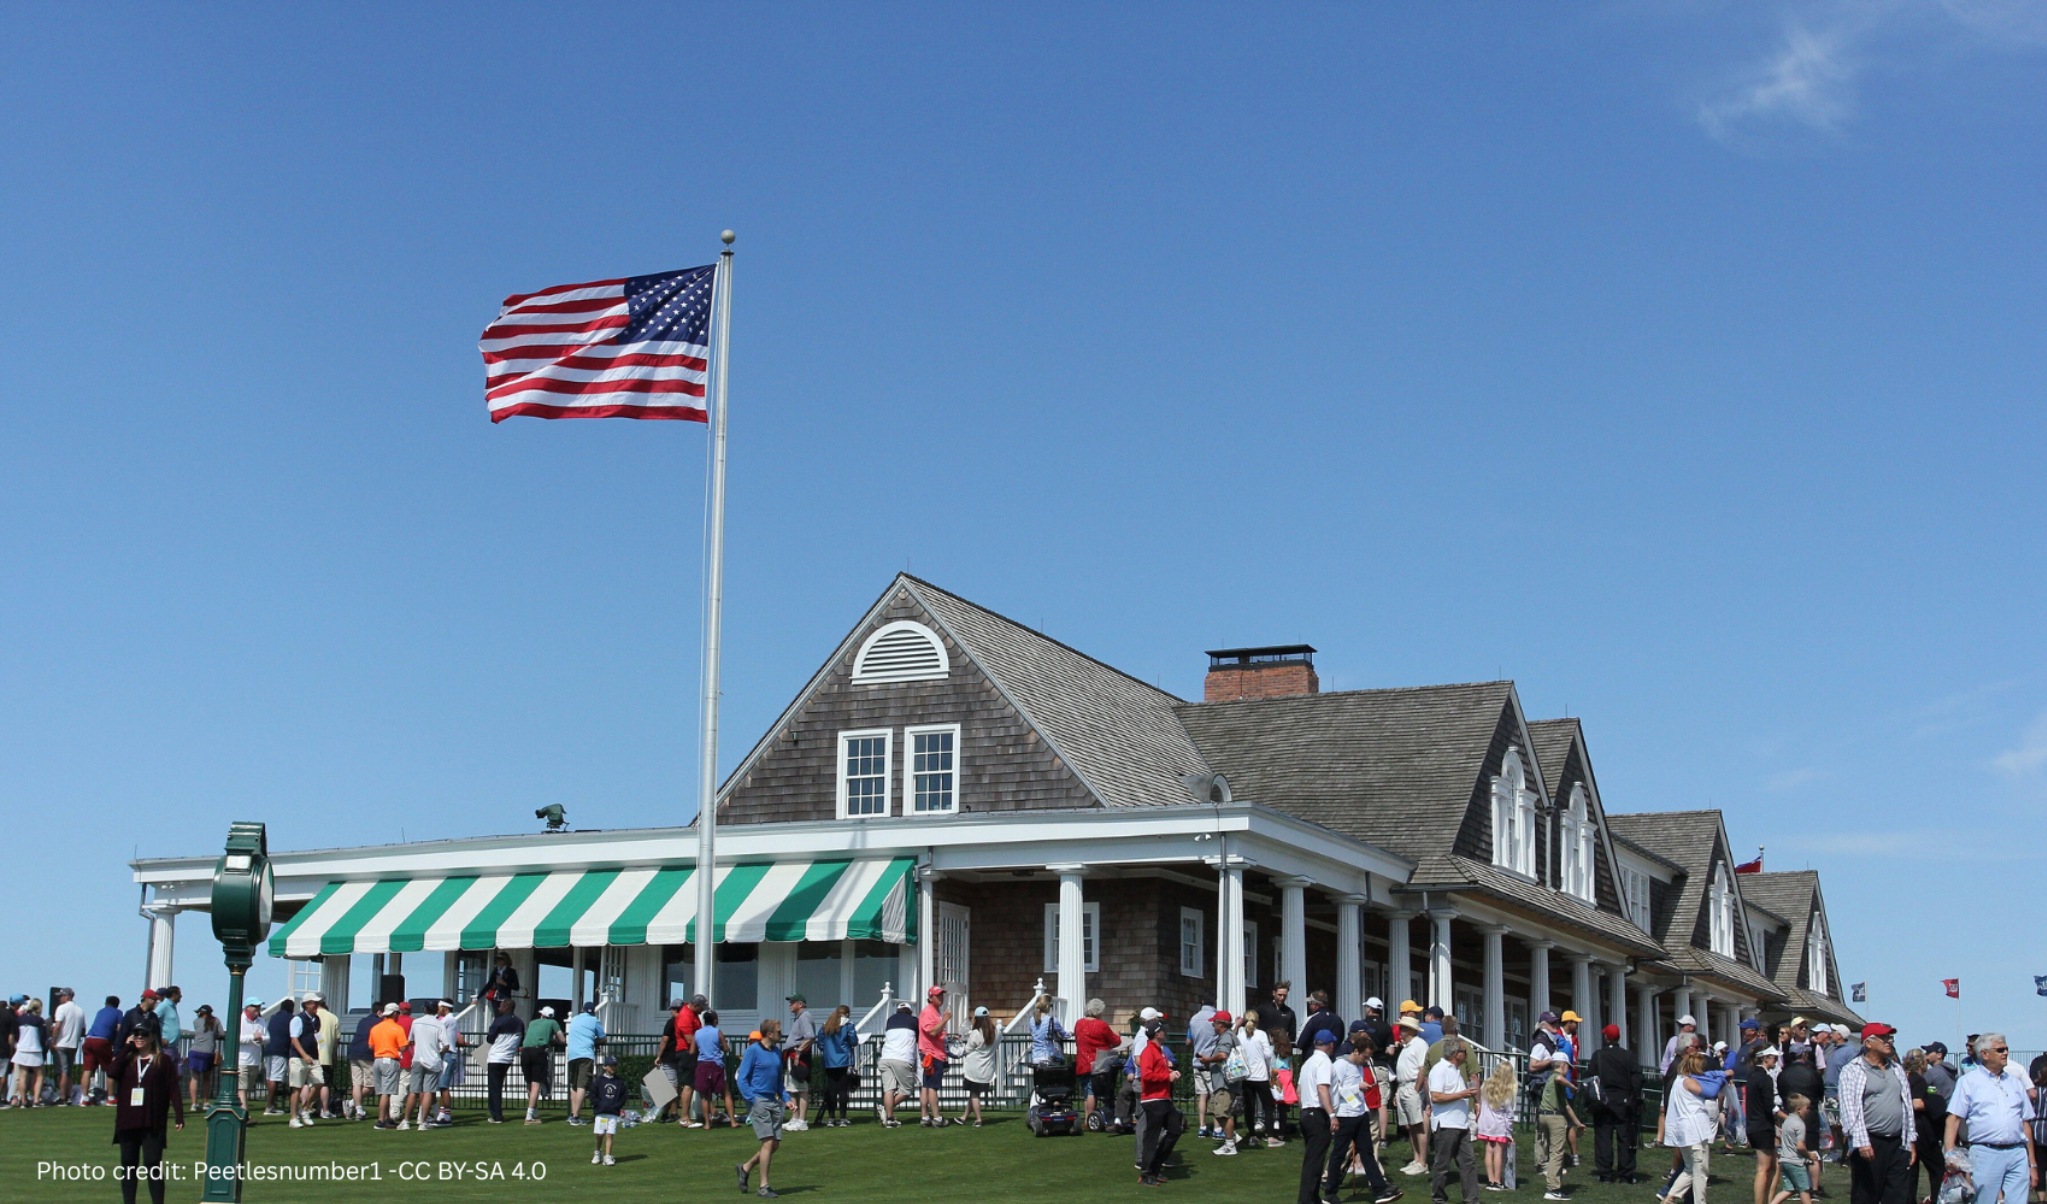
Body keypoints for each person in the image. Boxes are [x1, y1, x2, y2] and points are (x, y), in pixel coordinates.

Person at [1944, 1032, 2038, 1204]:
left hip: (2017, 1152)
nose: (2005, 1053)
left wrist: (2032, 1163)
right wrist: (1950, 1153)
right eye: (2000, 1049)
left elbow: (2025, 1123)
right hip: (1985, 1152)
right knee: (1984, 1200)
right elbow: (1954, 1118)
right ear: (1985, 1054)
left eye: (2006, 1049)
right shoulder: (1968, 1082)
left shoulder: (2015, 1082)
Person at [1839, 1021, 1915, 1204]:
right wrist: (1862, 1142)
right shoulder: (1853, 1070)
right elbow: (1850, 1110)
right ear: (1868, 1043)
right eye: (1883, 1038)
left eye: (1890, 1037)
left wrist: (1911, 1140)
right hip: (1870, 1141)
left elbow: (1907, 1107)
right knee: (1866, 1196)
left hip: (1897, 1142)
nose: (1889, 1041)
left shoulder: (1896, 1069)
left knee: (1898, 1196)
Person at [111, 1024, 184, 1204]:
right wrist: (127, 1047)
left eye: (144, 1034)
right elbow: (111, 1072)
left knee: (153, 1164)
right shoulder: (127, 1058)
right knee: (128, 1165)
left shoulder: (162, 1060)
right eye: (136, 1033)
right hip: (128, 1121)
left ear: (152, 1037)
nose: (139, 1037)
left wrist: (179, 1114)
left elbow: (173, 1089)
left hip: (152, 1121)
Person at [1330, 1032, 1401, 1204]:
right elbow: (1334, 1090)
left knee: (1367, 1152)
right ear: (1355, 1051)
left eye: (1369, 1057)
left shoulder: (1361, 1066)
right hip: (1345, 1116)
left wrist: (1364, 1107)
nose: (1366, 1060)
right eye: (1365, 1056)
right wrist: (1357, 1087)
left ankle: (1380, 1190)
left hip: (1360, 1114)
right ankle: (1330, 1192)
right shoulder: (1340, 1065)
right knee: (1339, 1154)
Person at [1657, 1047, 1723, 1204]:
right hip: (1694, 1131)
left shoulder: (1680, 1080)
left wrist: (1719, 1074)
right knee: (1700, 1171)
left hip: (1686, 1131)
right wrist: (1723, 1077)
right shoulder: (1689, 1082)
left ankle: (1669, 1197)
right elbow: (1711, 1091)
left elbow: (1706, 1077)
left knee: (1689, 1169)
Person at [736, 1019, 789, 1199]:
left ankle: (745, 1168)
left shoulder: (776, 1053)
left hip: (774, 1102)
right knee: (767, 1142)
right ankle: (763, 1186)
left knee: (774, 1145)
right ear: (770, 1034)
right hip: (759, 1101)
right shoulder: (753, 1051)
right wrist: (753, 1100)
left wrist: (787, 1099)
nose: (781, 1034)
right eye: (779, 1032)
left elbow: (778, 1082)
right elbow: (742, 1079)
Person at [1591, 1021, 1645, 1184]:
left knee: (1603, 1138)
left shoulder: (1598, 1055)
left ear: (1606, 1038)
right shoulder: (1628, 1056)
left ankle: (1605, 1173)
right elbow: (1637, 1078)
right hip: (1624, 1102)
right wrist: (1633, 1097)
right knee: (1626, 1138)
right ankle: (1626, 1174)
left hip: (1603, 1102)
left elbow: (1591, 1077)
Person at [1428, 1038, 1480, 1204]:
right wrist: (1461, 1094)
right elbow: (1435, 1096)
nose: (1466, 1054)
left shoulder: (1457, 1070)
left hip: (1461, 1123)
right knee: (1442, 1165)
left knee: (1468, 1163)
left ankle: (1471, 1199)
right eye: (1464, 1051)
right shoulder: (1439, 1070)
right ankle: (1438, 1198)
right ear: (1456, 1054)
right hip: (1446, 1123)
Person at [1136, 1011, 1185, 1186]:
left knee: (1175, 1129)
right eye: (1162, 1030)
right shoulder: (1149, 1051)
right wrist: (1167, 1077)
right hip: (1153, 1100)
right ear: (1157, 1033)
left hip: (1162, 1099)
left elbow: (1156, 1072)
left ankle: (1154, 1169)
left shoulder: (1159, 1051)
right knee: (1152, 1136)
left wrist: (1170, 1073)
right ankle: (1147, 1173)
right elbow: (1147, 1075)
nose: (1165, 1032)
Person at [1535, 1033, 1584, 1202]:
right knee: (1557, 1153)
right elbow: (1559, 1078)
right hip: (1554, 1118)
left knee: (1552, 1152)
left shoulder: (1553, 1081)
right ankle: (1553, 1188)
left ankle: (1555, 1185)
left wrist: (1578, 1123)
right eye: (1568, 1067)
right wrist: (1573, 1086)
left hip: (1546, 1116)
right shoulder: (1555, 1077)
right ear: (1562, 1065)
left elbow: (1566, 1106)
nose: (1568, 1070)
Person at [1300, 1027, 1342, 1204]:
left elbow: (1299, 1089)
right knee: (1315, 1163)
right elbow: (1322, 1088)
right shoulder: (1324, 1062)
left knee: (1312, 1160)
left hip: (1306, 1113)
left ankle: (1313, 1198)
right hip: (1318, 1114)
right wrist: (1332, 1114)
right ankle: (1307, 1201)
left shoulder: (1307, 1063)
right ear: (1330, 1045)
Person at [1905, 1048, 1947, 1204]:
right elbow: (1916, 1104)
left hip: (1909, 1129)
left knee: (1912, 1169)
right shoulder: (1918, 1080)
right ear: (1922, 1063)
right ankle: (1937, 1198)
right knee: (1938, 1168)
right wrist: (1934, 1102)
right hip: (1921, 1130)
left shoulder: (1905, 1078)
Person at [1074, 997, 1121, 1131]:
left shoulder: (1079, 1023)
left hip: (1082, 1061)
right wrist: (1118, 1035)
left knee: (1087, 1092)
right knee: (1092, 1092)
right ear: (1099, 1011)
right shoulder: (1102, 1025)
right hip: (1098, 1063)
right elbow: (1115, 1041)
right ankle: (1091, 1120)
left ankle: (1088, 1117)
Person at [1198, 1010, 1240, 1155]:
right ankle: (1233, 1136)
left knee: (1223, 1114)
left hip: (1225, 1083)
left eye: (1214, 1022)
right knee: (1216, 1112)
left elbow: (1223, 1055)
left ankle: (1230, 1145)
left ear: (1221, 1024)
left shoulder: (1226, 1037)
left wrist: (1207, 1060)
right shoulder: (1229, 1035)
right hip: (1222, 1083)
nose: (1213, 1025)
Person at [1395, 1013, 1432, 1175]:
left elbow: (1422, 1069)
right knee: (1410, 1125)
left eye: (1403, 1029)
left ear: (1411, 1030)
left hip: (1411, 1087)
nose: (1400, 1032)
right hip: (1403, 1086)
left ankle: (1422, 1162)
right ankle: (1416, 1158)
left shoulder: (1419, 1045)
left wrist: (1416, 1089)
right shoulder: (1406, 1046)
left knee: (1418, 1124)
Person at [1747, 1046, 1785, 1204]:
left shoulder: (1753, 1076)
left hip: (1753, 1125)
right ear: (1765, 1058)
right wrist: (1788, 1118)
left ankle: (1769, 1200)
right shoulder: (1765, 1078)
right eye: (1774, 1057)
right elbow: (1771, 1106)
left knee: (1773, 1166)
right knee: (1763, 1169)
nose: (1775, 1060)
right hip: (1763, 1126)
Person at [1240, 1010, 1280, 1147]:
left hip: (1246, 1076)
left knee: (1249, 1108)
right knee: (1268, 1106)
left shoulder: (1240, 1035)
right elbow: (1268, 1055)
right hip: (1261, 1076)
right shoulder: (1261, 1034)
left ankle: (1252, 1135)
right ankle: (1271, 1136)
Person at [1476, 1061, 1517, 1190]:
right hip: (1498, 1125)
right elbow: (1509, 1114)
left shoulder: (1486, 1085)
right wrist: (1509, 1131)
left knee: (1488, 1151)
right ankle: (1497, 1181)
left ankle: (1490, 1180)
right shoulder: (1507, 1091)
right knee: (1498, 1152)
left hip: (1485, 1122)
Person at [877, 999, 917, 1128]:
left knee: (889, 1089)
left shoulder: (890, 1020)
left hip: (885, 1058)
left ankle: (889, 1118)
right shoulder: (914, 1021)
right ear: (910, 1012)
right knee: (907, 1090)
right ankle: (886, 1109)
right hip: (902, 1058)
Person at [1771, 1093, 1817, 1204]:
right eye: (1807, 1108)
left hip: (1784, 1160)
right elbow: (1800, 1147)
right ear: (1799, 1109)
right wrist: (1809, 1155)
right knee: (1804, 1190)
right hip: (1795, 1162)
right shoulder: (1800, 1125)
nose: (1808, 1111)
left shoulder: (1787, 1121)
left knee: (1789, 1189)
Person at [695, 1007, 737, 1128]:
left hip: (702, 1064)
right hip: (716, 1064)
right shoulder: (717, 1032)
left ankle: (707, 1124)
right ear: (714, 1020)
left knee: (704, 1096)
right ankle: (733, 1121)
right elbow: (726, 1048)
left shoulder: (697, 1033)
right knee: (726, 1093)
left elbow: (692, 1049)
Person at [816, 1004, 857, 1127]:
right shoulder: (848, 1025)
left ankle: (831, 1118)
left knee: (832, 1090)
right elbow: (853, 1041)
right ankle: (843, 1118)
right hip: (844, 1061)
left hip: (829, 1061)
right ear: (847, 1013)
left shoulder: (826, 1024)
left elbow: (820, 1041)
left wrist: (827, 1051)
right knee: (843, 1090)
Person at [368, 1002, 408, 1130]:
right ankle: (381, 1120)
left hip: (377, 1060)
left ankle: (386, 1118)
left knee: (381, 1092)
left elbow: (370, 1045)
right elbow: (403, 1046)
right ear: (395, 1013)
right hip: (390, 1060)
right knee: (387, 1092)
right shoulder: (397, 1028)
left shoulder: (376, 1028)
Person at [521, 1004, 563, 1124]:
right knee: (536, 1084)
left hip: (525, 1051)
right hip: (539, 1051)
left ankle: (533, 1110)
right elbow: (562, 1039)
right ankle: (529, 1116)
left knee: (529, 1082)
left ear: (541, 1014)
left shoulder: (532, 1023)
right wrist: (553, 1040)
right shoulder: (553, 1023)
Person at [565, 1001, 605, 1126]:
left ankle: (572, 1114)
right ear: (593, 1011)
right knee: (582, 1085)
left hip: (572, 1054)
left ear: (583, 1009)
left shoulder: (575, 1019)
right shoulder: (594, 1020)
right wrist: (595, 1041)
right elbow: (603, 1037)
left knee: (574, 1084)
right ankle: (576, 1117)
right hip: (586, 1054)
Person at [288, 993, 324, 1127]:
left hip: (314, 1057)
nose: (316, 1006)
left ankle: (304, 1109)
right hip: (298, 1058)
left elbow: (317, 1036)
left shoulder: (317, 1019)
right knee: (296, 1088)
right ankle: (293, 1118)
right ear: (307, 1004)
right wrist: (304, 1055)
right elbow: (294, 1039)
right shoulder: (298, 1019)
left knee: (319, 1083)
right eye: (314, 1003)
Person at [784, 994, 818, 1131]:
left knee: (802, 1088)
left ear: (800, 1004)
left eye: (792, 1002)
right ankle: (795, 1118)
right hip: (792, 1055)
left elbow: (810, 1037)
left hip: (799, 1057)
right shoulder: (799, 1018)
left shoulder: (805, 1017)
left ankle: (802, 1120)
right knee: (792, 1089)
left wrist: (798, 1052)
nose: (789, 1005)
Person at [918, 985, 950, 1127]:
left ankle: (925, 1116)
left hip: (933, 1052)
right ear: (931, 998)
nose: (941, 998)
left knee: (926, 1085)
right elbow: (931, 1031)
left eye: (941, 995)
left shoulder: (935, 1012)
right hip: (931, 1054)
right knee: (932, 1087)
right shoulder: (928, 1012)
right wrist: (945, 1020)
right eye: (938, 996)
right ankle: (936, 1117)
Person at [960, 1006, 996, 1127]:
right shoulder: (997, 1032)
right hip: (987, 1069)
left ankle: (978, 1119)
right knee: (974, 1094)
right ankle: (964, 1117)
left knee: (974, 1094)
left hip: (974, 1068)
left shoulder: (976, 1033)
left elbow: (968, 1049)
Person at [589, 1052, 627, 1166]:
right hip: (601, 1113)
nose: (613, 1068)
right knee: (600, 1134)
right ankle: (597, 1152)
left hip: (613, 1113)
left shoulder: (619, 1082)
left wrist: (617, 1106)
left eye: (615, 1065)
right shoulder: (599, 1081)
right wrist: (599, 1105)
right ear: (605, 1067)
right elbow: (592, 1095)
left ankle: (608, 1155)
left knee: (610, 1134)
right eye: (611, 1066)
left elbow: (623, 1096)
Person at [84, 995, 122, 1105]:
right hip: (102, 1040)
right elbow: (119, 1028)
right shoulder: (118, 1012)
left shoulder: (100, 1012)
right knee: (111, 1069)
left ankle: (85, 1099)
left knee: (88, 1070)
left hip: (89, 1039)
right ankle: (111, 1097)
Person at [10, 996, 47, 1107]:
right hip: (35, 1049)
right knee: (39, 1075)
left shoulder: (20, 1019)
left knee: (23, 1074)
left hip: (22, 1049)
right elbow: (42, 1037)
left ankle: (23, 1100)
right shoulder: (39, 1020)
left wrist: (16, 1046)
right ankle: (36, 1100)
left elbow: (15, 1035)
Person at [51, 988, 85, 1106]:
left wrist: (53, 1040)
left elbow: (58, 1025)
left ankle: (62, 1096)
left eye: (61, 996)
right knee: (69, 1071)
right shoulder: (80, 1010)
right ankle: (69, 1095)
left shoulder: (62, 1008)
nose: (60, 998)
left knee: (63, 1071)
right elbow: (83, 1029)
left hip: (62, 1043)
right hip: (73, 1043)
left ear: (67, 996)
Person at [185, 1004, 221, 1111]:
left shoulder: (196, 1021)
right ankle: (205, 1102)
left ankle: (194, 1104)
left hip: (195, 1051)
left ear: (201, 1013)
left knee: (194, 1078)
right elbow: (222, 1033)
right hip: (208, 1053)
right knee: (206, 1078)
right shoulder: (216, 1021)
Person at [346, 1003, 378, 1121]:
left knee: (357, 1083)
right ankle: (351, 1103)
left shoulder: (362, 1021)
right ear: (379, 1012)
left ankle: (358, 1108)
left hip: (353, 1052)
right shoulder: (378, 1022)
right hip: (366, 1054)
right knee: (371, 1085)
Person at [262, 997, 294, 1115]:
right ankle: (269, 1106)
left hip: (268, 1049)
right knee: (275, 1078)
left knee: (269, 1076)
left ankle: (271, 1104)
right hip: (281, 1051)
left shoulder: (273, 1017)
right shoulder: (291, 1019)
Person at [236, 1000, 266, 1113]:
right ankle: (244, 1115)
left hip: (255, 1060)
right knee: (242, 1088)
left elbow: (268, 1038)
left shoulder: (261, 1021)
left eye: (259, 1006)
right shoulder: (239, 1019)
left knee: (246, 1088)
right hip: (242, 1060)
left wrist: (261, 1039)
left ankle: (239, 1110)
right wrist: (252, 1037)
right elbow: (237, 1038)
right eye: (255, 1007)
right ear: (248, 1008)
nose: (258, 1009)